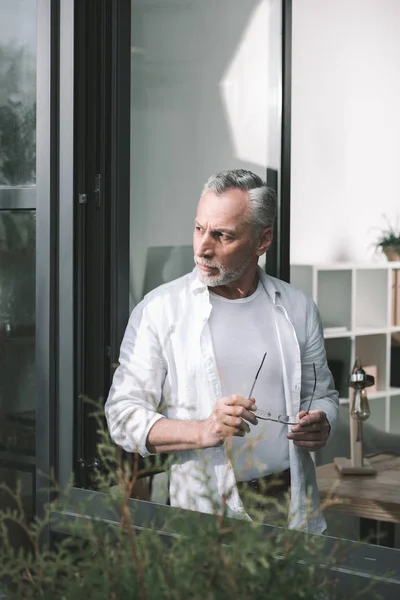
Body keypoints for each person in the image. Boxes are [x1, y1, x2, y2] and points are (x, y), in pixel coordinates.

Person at [105, 169, 339, 533]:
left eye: (222, 235)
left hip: (293, 511)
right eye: (199, 228)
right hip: (205, 517)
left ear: (263, 240)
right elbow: (122, 416)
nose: (202, 247)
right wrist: (203, 430)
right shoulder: (159, 310)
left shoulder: (298, 308)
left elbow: (322, 395)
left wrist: (322, 423)